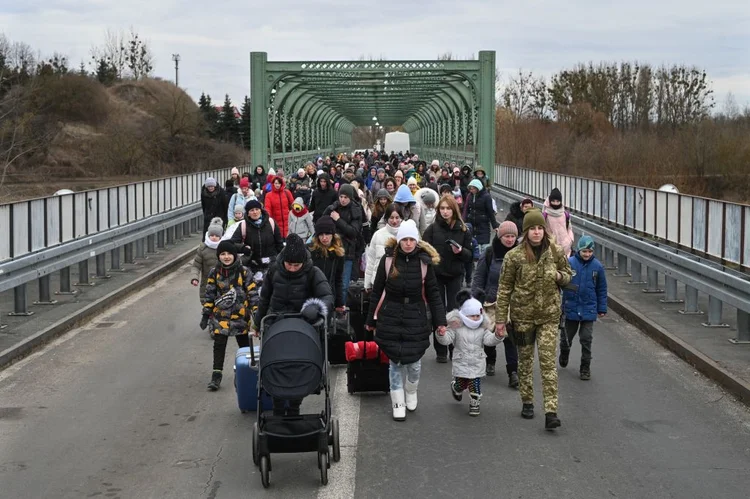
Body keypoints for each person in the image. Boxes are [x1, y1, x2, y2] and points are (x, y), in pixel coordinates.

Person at [495, 209, 572, 430]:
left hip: (548, 316)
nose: (537, 232)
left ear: (544, 230)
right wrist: (501, 319)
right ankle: (527, 400)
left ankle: (551, 411)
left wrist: (558, 276)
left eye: (540, 228)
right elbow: (504, 289)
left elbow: (568, 275)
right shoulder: (514, 256)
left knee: (548, 363)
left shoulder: (555, 251)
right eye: (532, 229)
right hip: (523, 317)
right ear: (526, 232)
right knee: (525, 362)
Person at [365, 220, 446, 421]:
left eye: (412, 240)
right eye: (405, 239)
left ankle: (411, 390)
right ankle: (397, 400)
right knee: (394, 361)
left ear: (416, 241)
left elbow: (434, 293)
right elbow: (377, 291)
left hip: (415, 315)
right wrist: (370, 320)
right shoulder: (388, 260)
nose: (408, 243)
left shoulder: (424, 262)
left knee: (415, 361)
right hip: (391, 314)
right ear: (399, 240)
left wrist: (440, 322)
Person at [254, 233, 334, 415]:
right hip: (276, 323)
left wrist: (315, 307)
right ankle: (278, 405)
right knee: (276, 363)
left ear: (303, 262)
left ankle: (295, 405)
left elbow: (327, 296)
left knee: (299, 365)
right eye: (288, 264)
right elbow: (264, 298)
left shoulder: (313, 273)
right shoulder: (274, 270)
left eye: (296, 265)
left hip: (303, 324)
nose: (291, 268)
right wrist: (257, 323)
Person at [201, 240, 258, 391]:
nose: (226, 257)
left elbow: (252, 294)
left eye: (229, 254)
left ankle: (248, 373)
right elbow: (210, 294)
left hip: (240, 317)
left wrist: (256, 314)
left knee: (244, 347)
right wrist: (206, 314)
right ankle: (216, 375)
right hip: (221, 317)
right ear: (218, 256)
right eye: (222, 254)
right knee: (219, 345)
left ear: (234, 255)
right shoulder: (215, 272)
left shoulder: (244, 271)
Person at [422, 195, 473, 363]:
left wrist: (461, 252)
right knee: (439, 311)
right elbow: (424, 252)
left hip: (455, 275)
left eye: (448, 209)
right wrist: (430, 262)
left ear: (453, 210)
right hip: (436, 275)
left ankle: (454, 347)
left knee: (454, 313)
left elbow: (470, 256)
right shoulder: (431, 229)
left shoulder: (463, 229)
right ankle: (441, 349)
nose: (445, 212)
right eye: (442, 208)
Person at [437, 290, 504, 416]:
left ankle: (475, 402)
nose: (475, 318)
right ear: (465, 315)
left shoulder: (482, 327)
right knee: (461, 384)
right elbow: (447, 340)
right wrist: (441, 334)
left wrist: (497, 336)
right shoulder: (456, 326)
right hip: (461, 361)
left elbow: (488, 340)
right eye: (472, 316)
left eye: (477, 316)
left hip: (476, 362)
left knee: (475, 383)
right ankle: (456, 388)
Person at [472, 220, 520, 387]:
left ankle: (513, 372)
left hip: (513, 303)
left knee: (510, 338)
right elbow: (479, 277)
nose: (510, 239)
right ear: (500, 237)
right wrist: (475, 301)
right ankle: (490, 360)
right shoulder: (490, 253)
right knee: (490, 335)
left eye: (513, 236)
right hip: (490, 302)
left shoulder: (521, 253)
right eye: (506, 236)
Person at [560, 235, 608, 380]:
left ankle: (585, 367)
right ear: (579, 250)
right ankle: (564, 352)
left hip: (589, 308)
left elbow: (601, 288)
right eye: (584, 251)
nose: (587, 254)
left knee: (586, 339)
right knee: (566, 337)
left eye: (589, 252)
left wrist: (602, 308)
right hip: (571, 307)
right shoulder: (570, 263)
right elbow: (562, 283)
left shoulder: (597, 267)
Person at [323, 184, 362, 302]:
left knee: (343, 284)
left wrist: (338, 220)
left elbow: (353, 232)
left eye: (345, 197)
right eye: (341, 197)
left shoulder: (355, 210)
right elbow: (323, 222)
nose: (343, 200)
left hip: (347, 250)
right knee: (328, 282)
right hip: (332, 249)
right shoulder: (334, 207)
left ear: (350, 197)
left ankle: (341, 308)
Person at [230, 199, 284, 275]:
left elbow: (279, 244)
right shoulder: (243, 225)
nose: (255, 212)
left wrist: (281, 260)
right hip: (252, 266)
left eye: (257, 209)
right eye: (252, 210)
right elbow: (232, 244)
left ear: (261, 210)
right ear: (248, 213)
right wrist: (243, 248)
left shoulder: (271, 222)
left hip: (272, 264)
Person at [309, 216, 346, 313]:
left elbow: (338, 279)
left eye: (327, 234)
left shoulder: (338, 253)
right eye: (321, 235)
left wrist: (339, 302)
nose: (324, 238)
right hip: (311, 295)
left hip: (329, 296)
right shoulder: (311, 251)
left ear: (333, 234)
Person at [364, 205, 403, 291]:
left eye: (397, 217)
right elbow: (371, 260)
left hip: (400, 283)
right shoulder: (378, 235)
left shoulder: (407, 236)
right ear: (386, 219)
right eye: (391, 218)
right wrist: (367, 282)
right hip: (378, 281)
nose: (394, 221)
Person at [191, 217, 223, 307]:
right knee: (207, 308)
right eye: (212, 235)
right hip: (207, 284)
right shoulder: (202, 248)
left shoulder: (224, 248)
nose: (214, 238)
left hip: (222, 284)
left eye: (217, 236)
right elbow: (196, 266)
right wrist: (194, 278)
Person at [462, 179, 499, 253]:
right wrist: (463, 221)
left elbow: (490, 212)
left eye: (473, 189)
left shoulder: (486, 197)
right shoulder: (470, 196)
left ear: (478, 188)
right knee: (474, 246)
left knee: (484, 247)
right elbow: (466, 209)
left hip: (483, 224)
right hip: (472, 224)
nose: (471, 190)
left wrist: (495, 225)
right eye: (470, 189)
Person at [543, 188, 574, 257]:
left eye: (557, 201)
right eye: (553, 201)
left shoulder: (565, 214)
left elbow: (569, 228)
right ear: (550, 201)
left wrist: (570, 240)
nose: (555, 203)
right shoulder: (546, 214)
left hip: (566, 249)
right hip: (551, 248)